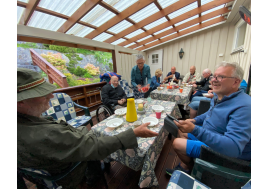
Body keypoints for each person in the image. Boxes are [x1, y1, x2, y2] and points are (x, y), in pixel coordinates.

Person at [17, 68, 158, 188]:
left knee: (98, 132)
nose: (51, 95)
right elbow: (92, 148)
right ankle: (94, 177)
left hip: (59, 159)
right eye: (41, 93)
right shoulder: (43, 134)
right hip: (72, 172)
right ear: (20, 102)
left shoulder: (25, 121)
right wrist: (133, 133)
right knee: (101, 138)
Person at [166, 62, 251, 175]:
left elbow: (233, 148)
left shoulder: (244, 106)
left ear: (236, 82)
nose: (214, 80)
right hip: (210, 135)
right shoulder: (220, 95)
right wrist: (194, 121)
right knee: (181, 131)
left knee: (177, 143)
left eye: (220, 77)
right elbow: (208, 114)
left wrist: (195, 129)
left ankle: (193, 170)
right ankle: (189, 166)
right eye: (214, 76)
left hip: (224, 153)